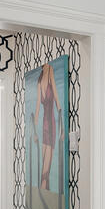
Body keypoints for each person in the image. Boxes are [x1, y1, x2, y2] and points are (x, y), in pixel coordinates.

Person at [36, 63, 61, 195]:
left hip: (43, 125)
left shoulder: (39, 80)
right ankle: (43, 187)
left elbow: (37, 109)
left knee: (45, 157)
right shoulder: (50, 68)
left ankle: (44, 188)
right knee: (48, 159)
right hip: (50, 123)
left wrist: (34, 131)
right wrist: (62, 119)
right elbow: (56, 96)